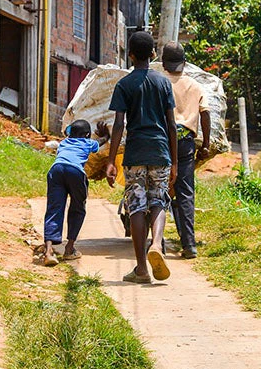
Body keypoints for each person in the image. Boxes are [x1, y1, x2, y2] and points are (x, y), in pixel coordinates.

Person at [105, 31, 177, 284]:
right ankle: (156, 243)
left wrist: (112, 160)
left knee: (136, 205)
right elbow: (171, 125)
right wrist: (175, 162)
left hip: (135, 152)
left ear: (131, 56)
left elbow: (118, 125)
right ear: (153, 55)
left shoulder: (124, 85)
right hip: (160, 151)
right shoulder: (163, 83)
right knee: (158, 201)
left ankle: (141, 269)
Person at [161, 42, 211, 259]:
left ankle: (155, 244)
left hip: (161, 140)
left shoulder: (159, 83)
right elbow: (206, 114)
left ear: (163, 63)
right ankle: (189, 244)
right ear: (184, 62)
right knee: (185, 193)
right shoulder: (195, 85)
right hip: (185, 142)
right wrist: (206, 143)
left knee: (158, 189)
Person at [42, 119, 110, 266]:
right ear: (87, 135)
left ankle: (48, 251)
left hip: (56, 170)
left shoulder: (65, 142)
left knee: (54, 208)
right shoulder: (87, 143)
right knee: (78, 208)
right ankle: (69, 248)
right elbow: (102, 141)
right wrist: (106, 134)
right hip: (75, 172)